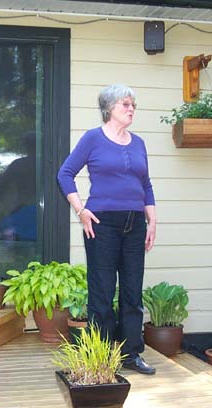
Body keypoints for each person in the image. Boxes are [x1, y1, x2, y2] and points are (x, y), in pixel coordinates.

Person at [57, 83, 157, 375]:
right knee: (101, 292)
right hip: (102, 224)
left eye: (133, 105)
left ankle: (131, 354)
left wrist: (152, 221)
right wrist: (81, 210)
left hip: (135, 223)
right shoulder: (93, 139)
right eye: (125, 104)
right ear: (109, 108)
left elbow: (146, 185)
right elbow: (65, 174)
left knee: (132, 292)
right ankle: (99, 357)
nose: (131, 109)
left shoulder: (138, 143)